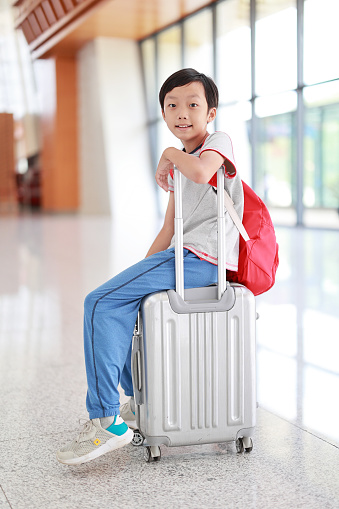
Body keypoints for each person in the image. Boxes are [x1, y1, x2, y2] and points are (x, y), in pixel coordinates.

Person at [56, 68, 244, 465]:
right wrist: (135, 274)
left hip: (204, 259)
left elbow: (201, 171)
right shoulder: (181, 162)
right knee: (117, 301)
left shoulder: (216, 142)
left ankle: (107, 420)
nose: (181, 113)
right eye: (172, 105)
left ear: (210, 112)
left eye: (193, 105)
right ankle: (136, 402)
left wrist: (167, 154)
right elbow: (168, 228)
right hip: (184, 256)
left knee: (97, 303)